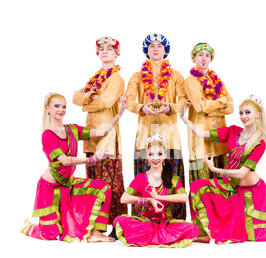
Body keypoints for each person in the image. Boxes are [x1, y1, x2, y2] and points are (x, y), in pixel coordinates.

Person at [20, 92, 127, 243]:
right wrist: (90, 160)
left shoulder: (72, 130)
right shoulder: (47, 135)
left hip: (68, 183)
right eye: (57, 106)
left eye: (64, 106)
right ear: (48, 108)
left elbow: (102, 132)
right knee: (49, 234)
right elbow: (64, 160)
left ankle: (96, 232)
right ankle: (28, 227)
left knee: (103, 188)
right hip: (50, 189)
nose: (61, 109)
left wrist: (119, 113)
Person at [180, 95, 266, 244]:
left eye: (247, 112)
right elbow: (200, 133)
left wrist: (215, 169)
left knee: (256, 236)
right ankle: (202, 233)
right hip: (231, 185)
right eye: (241, 113)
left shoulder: (259, 142)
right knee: (197, 186)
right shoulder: (233, 131)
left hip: (252, 194)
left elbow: (242, 172)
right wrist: (183, 117)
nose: (243, 116)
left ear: (257, 114)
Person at [124, 33, 187, 220]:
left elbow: (184, 99)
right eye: (151, 46)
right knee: (143, 180)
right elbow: (128, 101)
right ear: (146, 50)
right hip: (145, 136)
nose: (156, 48)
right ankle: (142, 220)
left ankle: (176, 222)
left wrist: (172, 107)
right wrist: (142, 107)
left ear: (165, 50)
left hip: (171, 137)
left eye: (160, 45)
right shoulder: (137, 76)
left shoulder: (176, 75)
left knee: (174, 179)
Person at [73, 36, 127, 238]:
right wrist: (90, 96)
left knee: (111, 183)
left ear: (116, 54)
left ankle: (118, 225)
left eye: (109, 49)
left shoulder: (117, 78)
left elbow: (106, 102)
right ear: (98, 54)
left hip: (108, 137)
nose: (105, 51)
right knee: (93, 181)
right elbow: (74, 97)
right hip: (90, 136)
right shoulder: (95, 77)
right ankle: (97, 226)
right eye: (101, 49)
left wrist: (86, 101)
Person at [113, 135, 199, 247]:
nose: (155, 158)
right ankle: (161, 238)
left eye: (159, 154)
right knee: (119, 220)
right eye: (151, 154)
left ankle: (151, 238)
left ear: (165, 155)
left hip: (166, 224)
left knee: (192, 228)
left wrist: (158, 197)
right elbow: (124, 199)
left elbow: (183, 197)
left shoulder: (173, 178)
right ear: (147, 156)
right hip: (146, 224)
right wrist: (149, 200)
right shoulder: (140, 178)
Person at [184, 43, 234, 184]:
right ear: (194, 58)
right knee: (202, 187)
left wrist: (209, 109)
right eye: (200, 55)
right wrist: (221, 102)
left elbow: (231, 108)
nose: (204, 58)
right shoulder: (190, 81)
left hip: (220, 141)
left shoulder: (217, 81)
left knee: (223, 185)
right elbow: (201, 107)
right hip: (201, 143)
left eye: (207, 55)